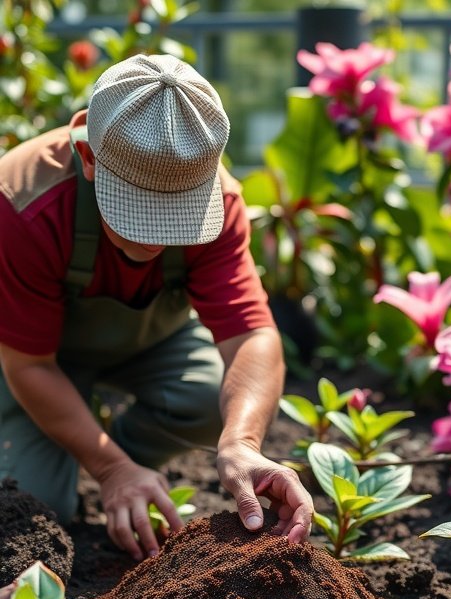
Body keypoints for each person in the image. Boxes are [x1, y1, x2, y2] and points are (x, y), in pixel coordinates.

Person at [0, 53, 314, 562]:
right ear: (89, 158)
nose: (157, 239)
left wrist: (242, 444)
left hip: (149, 344)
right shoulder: (21, 203)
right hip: (41, 359)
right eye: (139, 211)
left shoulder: (224, 201)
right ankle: (92, 459)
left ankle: (115, 455)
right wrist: (110, 469)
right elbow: (27, 363)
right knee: (37, 506)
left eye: (179, 214)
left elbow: (253, 335)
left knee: (211, 397)